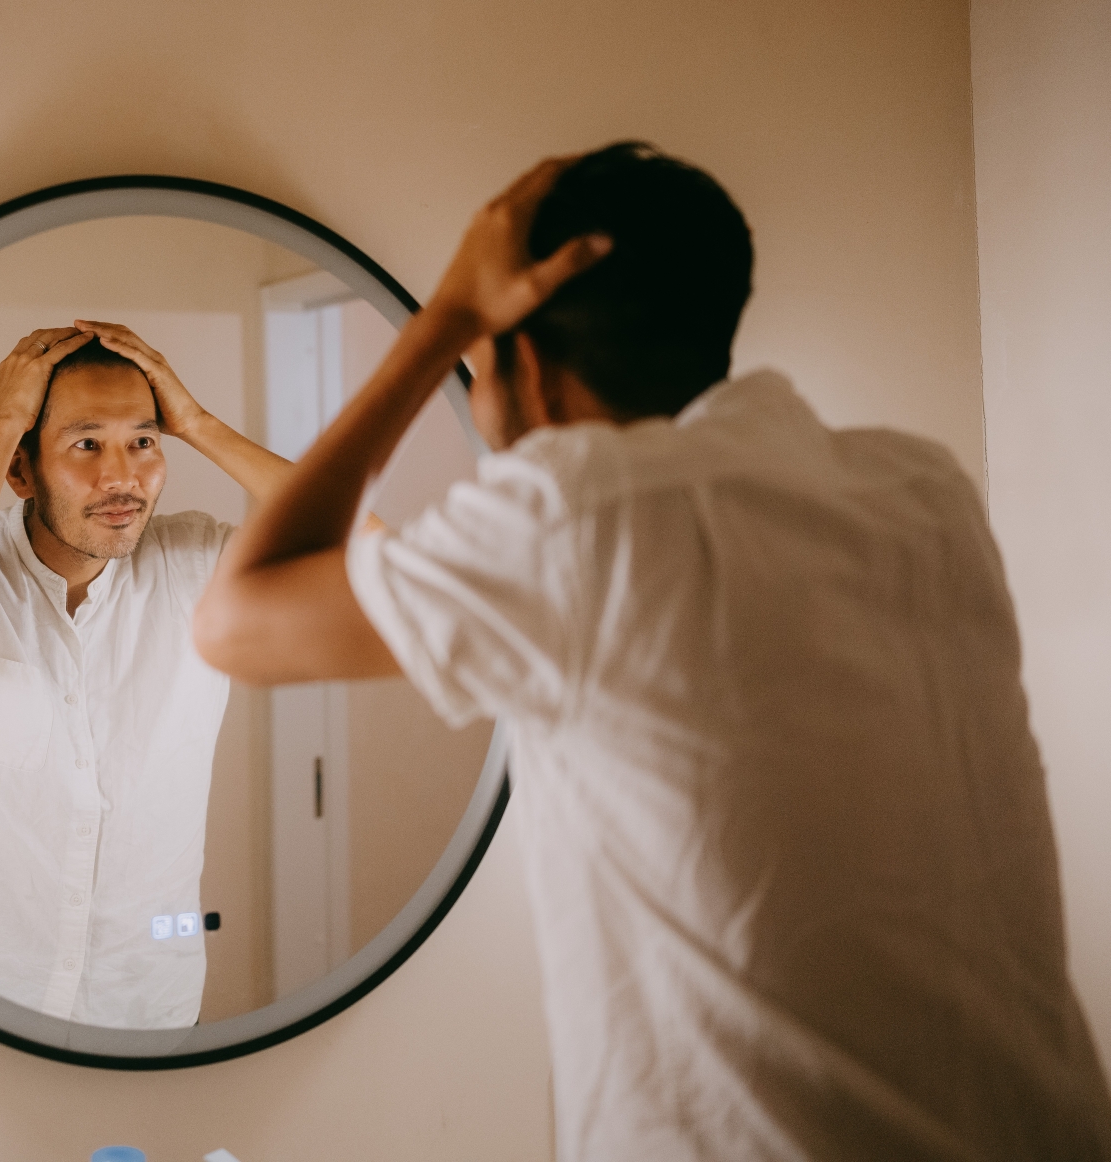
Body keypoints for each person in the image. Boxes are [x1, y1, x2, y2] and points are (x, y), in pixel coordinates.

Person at [194, 142, 1111, 1158]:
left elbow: (234, 621)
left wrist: (444, 321)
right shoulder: (920, 493)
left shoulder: (574, 521)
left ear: (525, 363)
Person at [0, 321, 294, 1029]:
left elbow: (370, 552)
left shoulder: (198, 561)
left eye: (145, 441)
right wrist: (5, 418)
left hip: (147, 997)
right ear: (21, 468)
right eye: (86, 443)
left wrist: (197, 422)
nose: (121, 476)